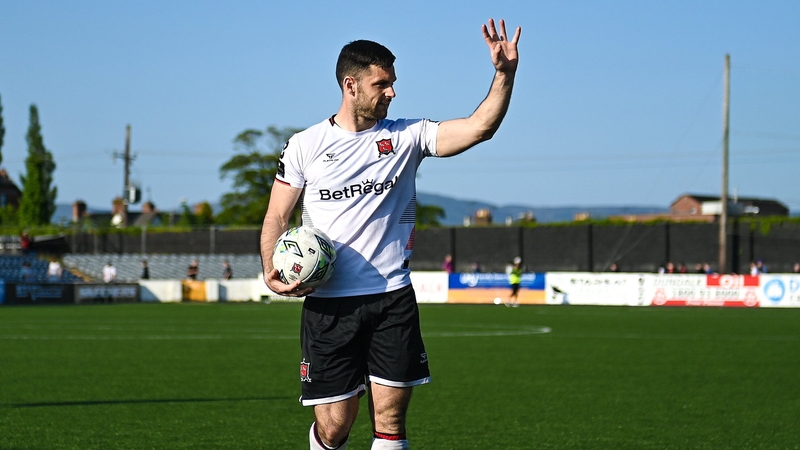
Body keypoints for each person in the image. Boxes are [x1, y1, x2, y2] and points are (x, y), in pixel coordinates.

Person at [259, 19, 520, 450]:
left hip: (392, 298)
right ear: (351, 85)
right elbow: (276, 216)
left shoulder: (407, 136)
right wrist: (270, 266)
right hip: (329, 305)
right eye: (382, 84)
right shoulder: (305, 145)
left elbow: (479, 128)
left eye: (393, 83)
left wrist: (504, 74)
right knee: (335, 427)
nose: (392, 92)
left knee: (390, 422)